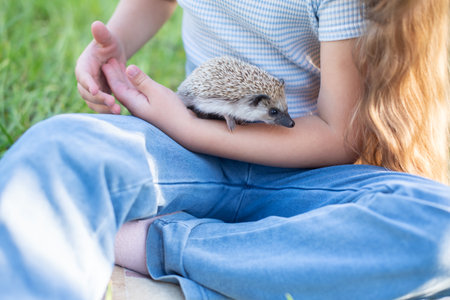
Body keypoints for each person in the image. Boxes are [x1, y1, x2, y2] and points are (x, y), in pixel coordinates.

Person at [0, 0, 449, 299]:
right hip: (184, 159)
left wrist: (188, 126)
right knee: (55, 146)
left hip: (306, 181)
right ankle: (253, 270)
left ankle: (153, 245)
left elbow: (338, 134)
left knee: (438, 223)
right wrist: (117, 40)